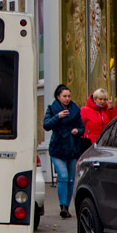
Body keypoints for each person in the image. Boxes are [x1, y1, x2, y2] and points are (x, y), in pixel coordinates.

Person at [44, 84, 87, 219]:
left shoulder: (75, 110)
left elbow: (82, 128)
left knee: (70, 179)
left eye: (69, 96)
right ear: (58, 97)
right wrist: (58, 116)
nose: (67, 99)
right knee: (62, 175)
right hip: (57, 148)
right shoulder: (52, 109)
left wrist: (77, 131)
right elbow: (46, 125)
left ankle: (66, 207)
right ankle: (62, 205)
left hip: (73, 148)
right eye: (64, 96)